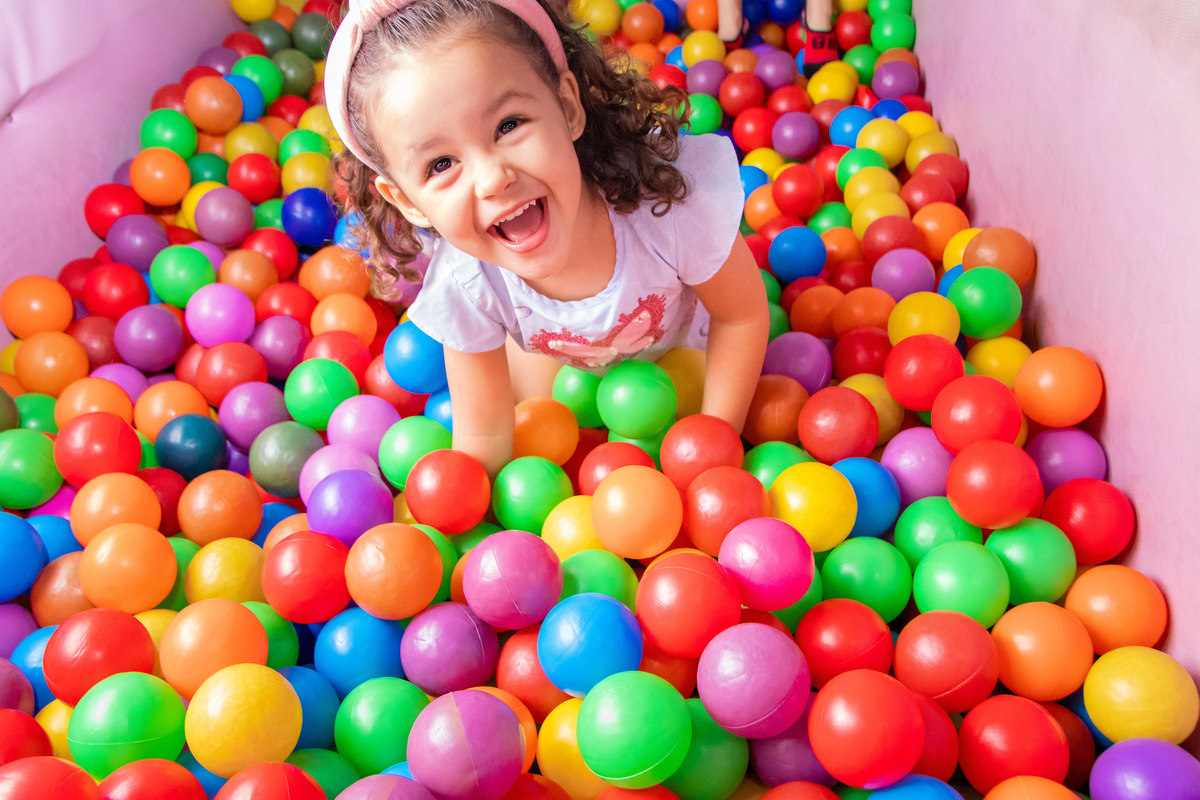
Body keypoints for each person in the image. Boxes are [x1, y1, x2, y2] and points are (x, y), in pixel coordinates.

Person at [325, 0, 768, 476]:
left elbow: (740, 315)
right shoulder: (467, 284)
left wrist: (716, 446)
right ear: (406, 201)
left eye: (508, 125)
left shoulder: (668, 209)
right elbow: (484, 436)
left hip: (687, 352)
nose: (493, 178)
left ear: (568, 106)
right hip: (560, 376)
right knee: (527, 409)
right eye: (441, 165)